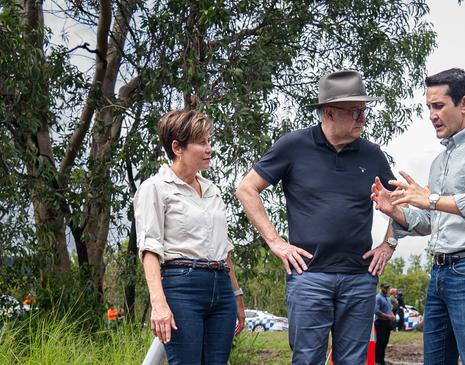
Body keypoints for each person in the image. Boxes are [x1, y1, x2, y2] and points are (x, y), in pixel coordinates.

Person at [235, 70, 397, 365]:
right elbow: (247, 189)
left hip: (359, 279)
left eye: (364, 110)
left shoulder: (373, 155)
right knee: (307, 359)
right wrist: (276, 242)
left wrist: (389, 244)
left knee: (353, 361)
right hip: (309, 278)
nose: (363, 117)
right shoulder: (294, 146)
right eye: (355, 111)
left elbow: (401, 205)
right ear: (330, 112)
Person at [371, 68, 465, 365]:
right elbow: (434, 221)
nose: (431, 115)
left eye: (438, 106)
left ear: (464, 103)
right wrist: (395, 211)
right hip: (439, 273)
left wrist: (432, 199)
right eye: (428, 107)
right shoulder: (440, 162)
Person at [134, 110, 245, 365]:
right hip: (182, 288)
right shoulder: (155, 188)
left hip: (220, 287)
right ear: (177, 147)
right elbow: (150, 249)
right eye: (202, 142)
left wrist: (236, 294)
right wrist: (159, 304)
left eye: (209, 141)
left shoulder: (212, 190)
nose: (210, 149)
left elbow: (223, 248)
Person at [375, 283, 397, 365]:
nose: (387, 289)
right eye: (385, 288)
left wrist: (392, 315)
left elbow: (389, 309)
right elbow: (377, 311)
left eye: (388, 287)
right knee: (380, 342)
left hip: (387, 322)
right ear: (381, 288)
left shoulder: (387, 298)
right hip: (380, 322)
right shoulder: (378, 298)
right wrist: (388, 316)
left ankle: (382, 360)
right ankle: (378, 361)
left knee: (385, 342)